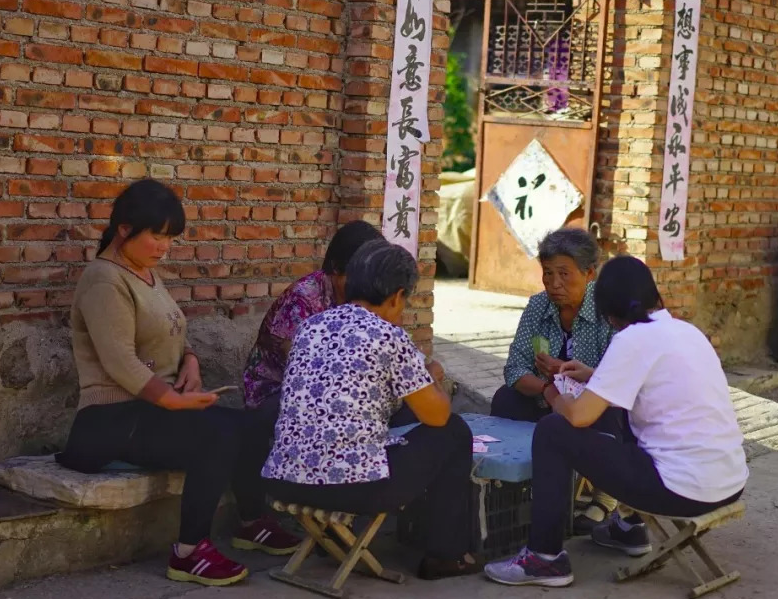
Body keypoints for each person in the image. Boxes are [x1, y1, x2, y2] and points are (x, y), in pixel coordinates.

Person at [57, 179, 298, 588]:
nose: (163, 246)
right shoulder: (104, 279)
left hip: (148, 412)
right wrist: (170, 399)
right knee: (217, 434)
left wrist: (190, 362)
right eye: (156, 235)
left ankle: (252, 521)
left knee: (251, 423)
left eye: (170, 237)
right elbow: (119, 361)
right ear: (124, 230)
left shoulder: (145, 274)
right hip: (108, 421)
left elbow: (171, 331)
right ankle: (189, 552)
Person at [484, 256, 748, 587]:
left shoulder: (631, 339)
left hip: (682, 490)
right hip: (730, 483)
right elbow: (653, 384)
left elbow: (579, 416)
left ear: (609, 312)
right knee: (626, 411)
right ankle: (629, 527)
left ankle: (544, 557)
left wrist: (552, 391)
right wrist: (596, 375)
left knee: (554, 431)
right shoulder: (686, 331)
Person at [263, 239, 482, 580]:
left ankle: (330, 538)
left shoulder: (311, 327)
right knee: (453, 432)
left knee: (386, 424)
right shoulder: (389, 336)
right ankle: (446, 554)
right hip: (351, 489)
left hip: (285, 481)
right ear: (397, 296)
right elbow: (436, 416)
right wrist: (431, 377)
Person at [490, 227, 619, 531]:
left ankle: (605, 494)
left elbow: (614, 377)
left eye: (564, 274)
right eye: (548, 274)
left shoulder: (608, 312)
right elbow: (515, 368)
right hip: (547, 401)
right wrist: (548, 389)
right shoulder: (539, 306)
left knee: (613, 410)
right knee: (505, 399)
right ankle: (516, 482)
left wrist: (568, 373)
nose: (554, 284)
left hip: (590, 405)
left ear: (589, 274)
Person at [243, 220, 383, 416]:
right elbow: (303, 373)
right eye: (357, 275)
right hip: (276, 395)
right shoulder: (301, 300)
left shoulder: (362, 297)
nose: (364, 283)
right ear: (335, 267)